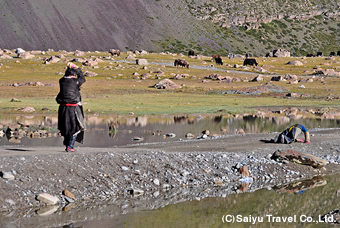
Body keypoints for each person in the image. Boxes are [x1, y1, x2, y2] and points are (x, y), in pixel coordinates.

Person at [56, 62, 86, 152]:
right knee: (75, 127)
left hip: (63, 108)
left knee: (65, 126)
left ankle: (68, 145)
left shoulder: (61, 81)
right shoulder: (75, 82)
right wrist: (77, 68)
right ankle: (70, 146)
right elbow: (83, 78)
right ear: (73, 74)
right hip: (73, 108)